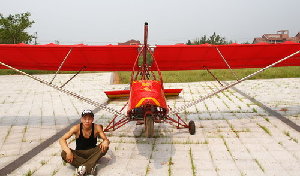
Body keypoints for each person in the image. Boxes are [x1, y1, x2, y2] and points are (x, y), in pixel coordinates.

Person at [59, 109, 110, 176]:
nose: (87, 121)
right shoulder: (76, 128)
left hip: (92, 152)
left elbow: (106, 140)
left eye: (89, 119)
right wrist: (68, 152)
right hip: (79, 153)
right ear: (81, 119)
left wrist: (105, 141)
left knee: (105, 147)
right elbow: (62, 139)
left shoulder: (97, 127)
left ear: (92, 119)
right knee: (64, 153)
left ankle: (82, 168)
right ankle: (90, 166)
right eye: (85, 118)